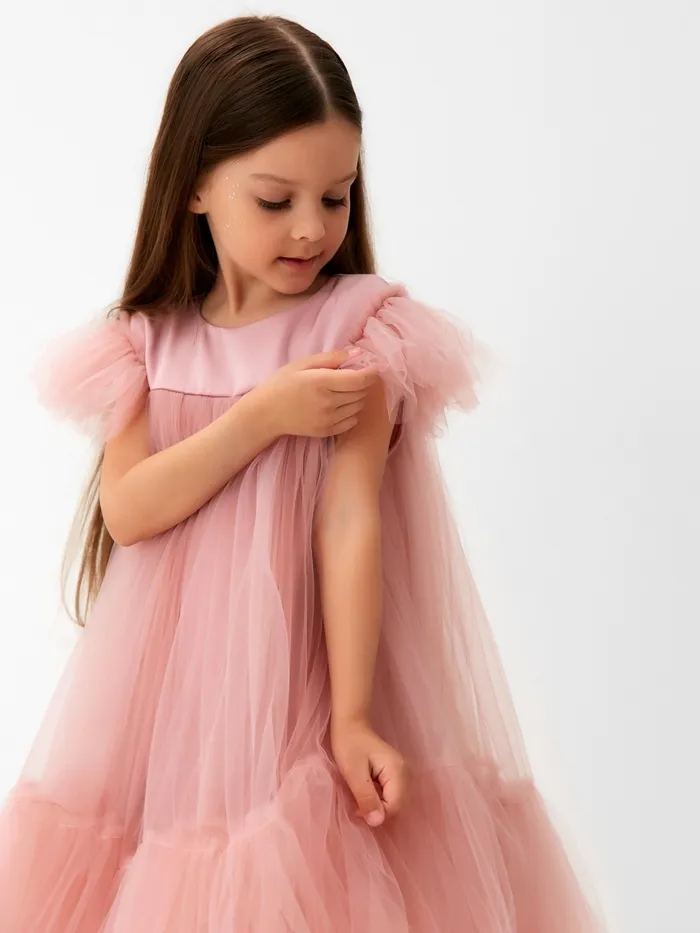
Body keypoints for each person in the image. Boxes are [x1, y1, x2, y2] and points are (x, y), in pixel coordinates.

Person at [0, 14, 607, 933]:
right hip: (174, 710)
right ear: (195, 185)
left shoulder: (357, 329)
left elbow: (351, 519)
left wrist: (352, 716)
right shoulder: (145, 343)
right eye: (276, 200)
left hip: (311, 684)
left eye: (337, 196)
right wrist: (260, 416)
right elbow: (129, 510)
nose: (313, 227)